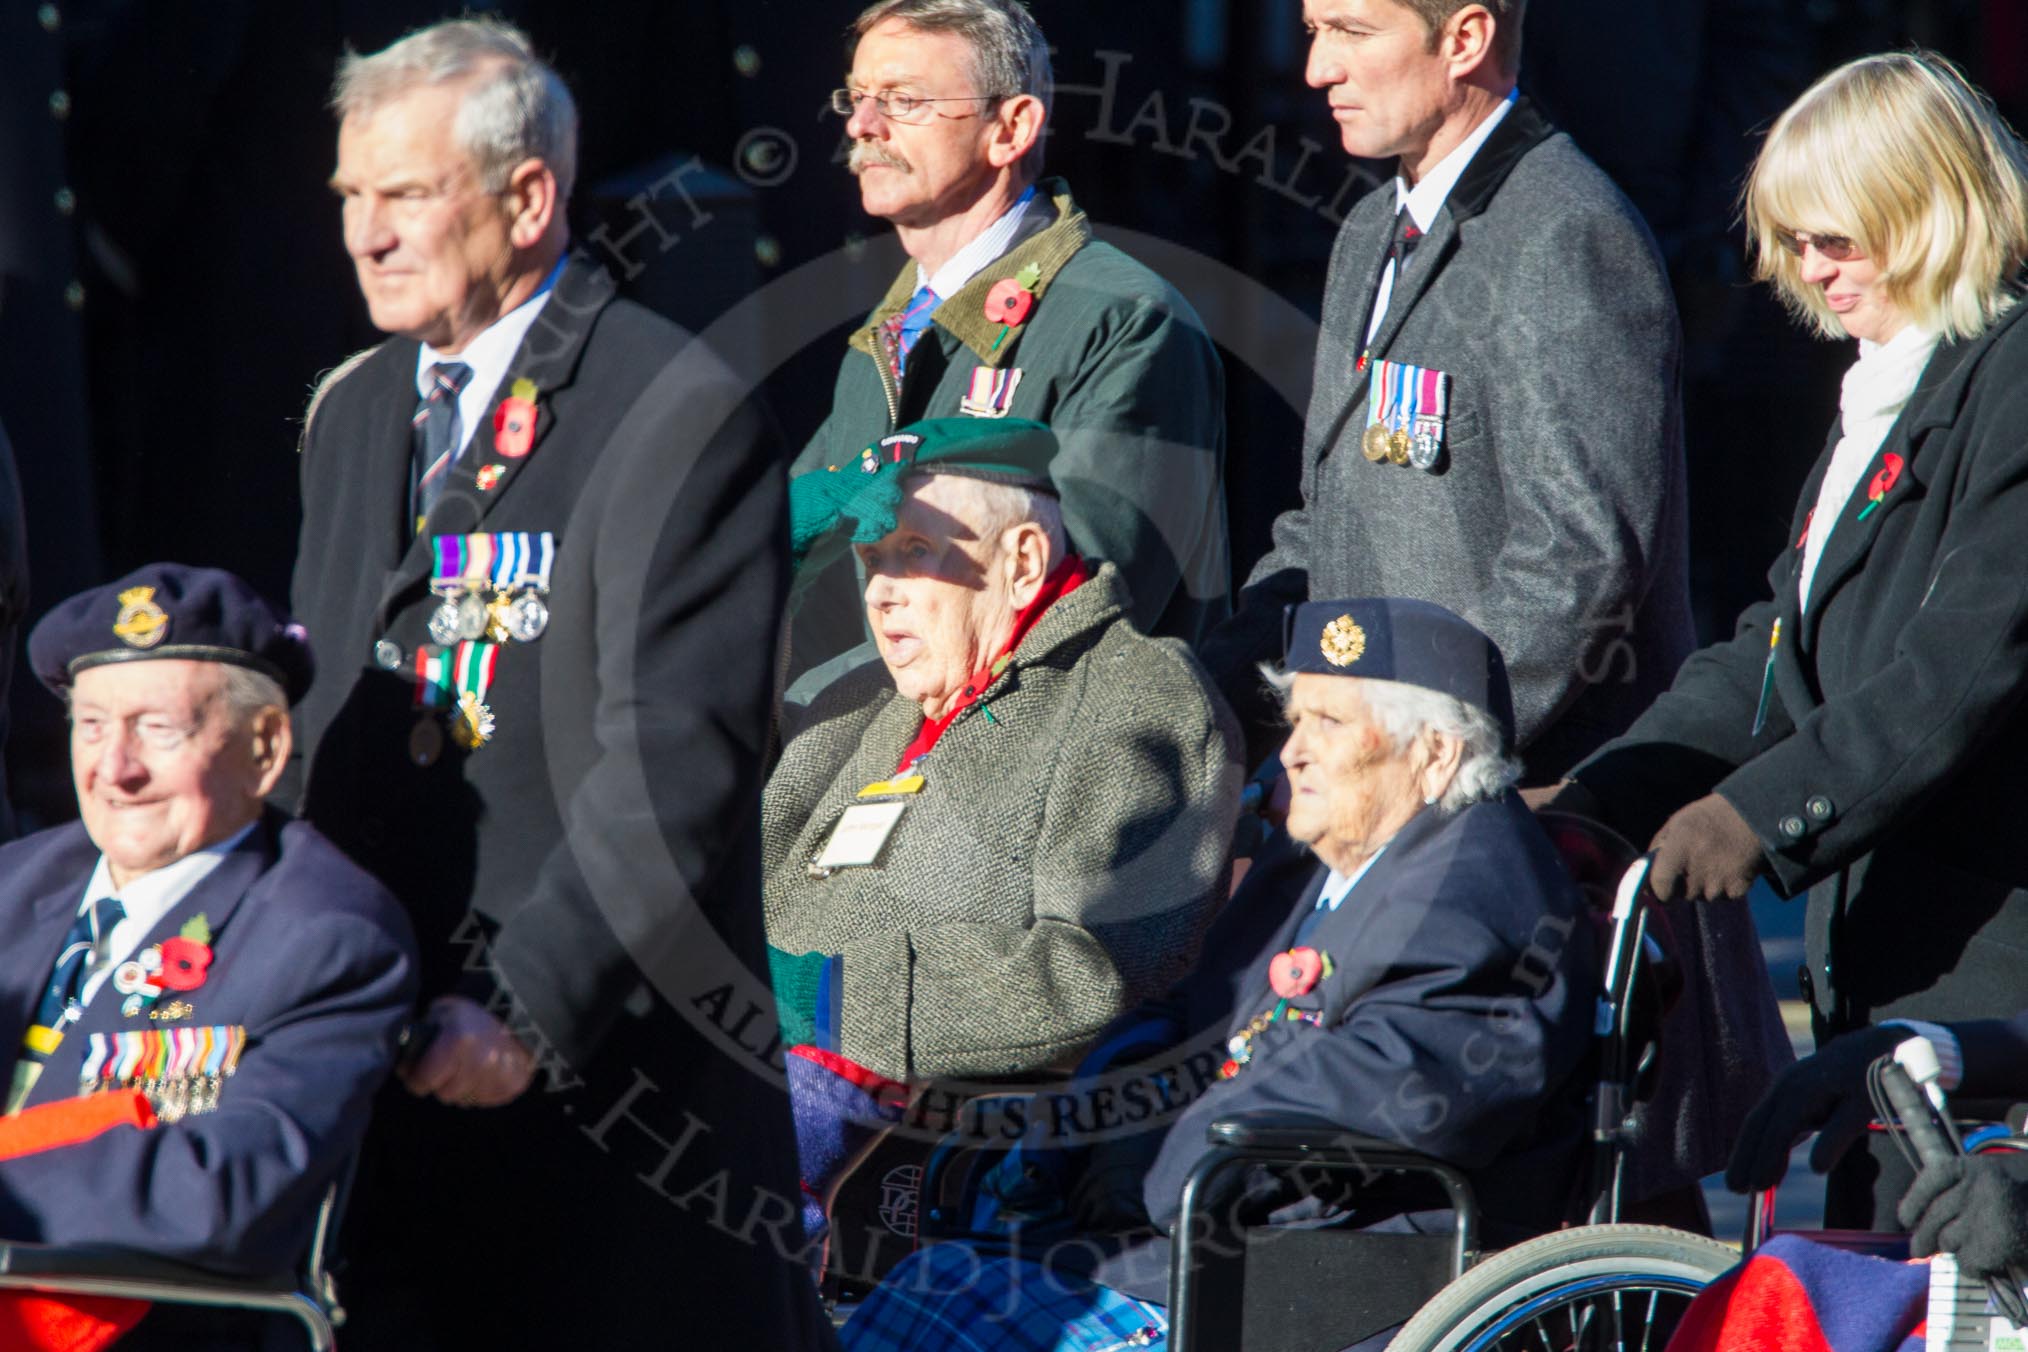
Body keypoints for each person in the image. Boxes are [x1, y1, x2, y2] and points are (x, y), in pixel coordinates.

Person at [287, 19, 826, 1349]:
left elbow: (676, 764)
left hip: (596, 1103)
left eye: (407, 194)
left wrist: (524, 1006)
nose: (367, 233)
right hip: (381, 1080)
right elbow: (319, 721)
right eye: (353, 198)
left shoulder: (670, 404)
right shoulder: (357, 409)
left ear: (529, 199)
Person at [835, 598, 1595, 1351]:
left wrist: (1167, 1152)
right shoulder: (1320, 856)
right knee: (923, 1292)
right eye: (1296, 721)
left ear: (1435, 754)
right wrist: (1109, 1112)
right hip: (1214, 1234)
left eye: (1328, 724)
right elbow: (1192, 1003)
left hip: (1342, 1272)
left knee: (941, 1318)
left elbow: (1393, 1087)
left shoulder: (1479, 887)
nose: (1291, 753)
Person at [1548, 50, 2028, 1228]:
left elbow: (1960, 662)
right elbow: (1780, 649)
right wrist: (1607, 796)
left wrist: (1758, 816)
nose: (1809, 271)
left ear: (1927, 212)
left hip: (1987, 949)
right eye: (1793, 242)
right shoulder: (1888, 383)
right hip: (1882, 952)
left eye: (1839, 240)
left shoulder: (2010, 374)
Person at [768, 416, 1240, 1245]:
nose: (879, 593)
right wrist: (767, 564)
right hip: (749, 1066)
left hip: (906, 1132)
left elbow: (1106, 973)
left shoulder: (1137, 696)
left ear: (1021, 562)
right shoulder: (860, 704)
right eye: (870, 561)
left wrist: (837, 1000)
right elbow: (681, 765)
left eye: (913, 551)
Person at [1198, 0, 1692, 786]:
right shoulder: (1368, 229)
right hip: (1374, 790)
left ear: (1465, 39)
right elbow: (1325, 533)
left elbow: (1578, 563)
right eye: (1313, 32)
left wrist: (1411, 755)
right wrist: (1201, 714)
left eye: (1353, 32)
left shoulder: (1566, 232)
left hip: (1515, 814)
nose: (1318, 70)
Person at [0, 563, 414, 1342]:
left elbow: (230, 1190)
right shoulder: (15, 882)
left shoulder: (325, 936)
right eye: (91, 725)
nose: (114, 768)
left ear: (264, 748)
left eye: (158, 728)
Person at [788, 0, 1229, 695]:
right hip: (872, 771)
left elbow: (1078, 616)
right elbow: (811, 584)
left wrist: (821, 712)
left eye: (904, 100)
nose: (861, 126)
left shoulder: (1122, 319)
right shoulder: (886, 335)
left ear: (1010, 128)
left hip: (1047, 782)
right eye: (858, 96)